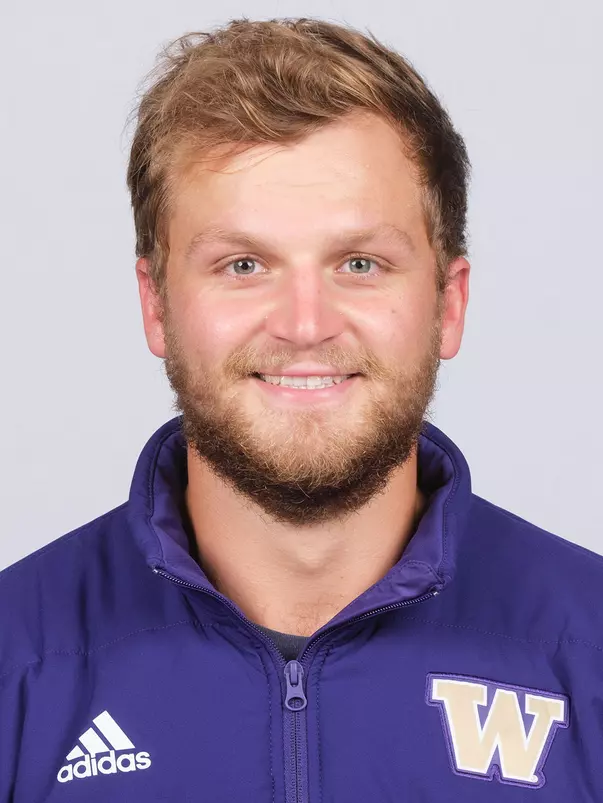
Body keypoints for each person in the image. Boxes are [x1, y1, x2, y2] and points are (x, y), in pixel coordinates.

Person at [1, 16, 601, 803]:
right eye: (243, 264)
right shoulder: (18, 660)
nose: (305, 323)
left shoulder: (586, 650)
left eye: (360, 262)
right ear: (156, 304)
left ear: (447, 304)